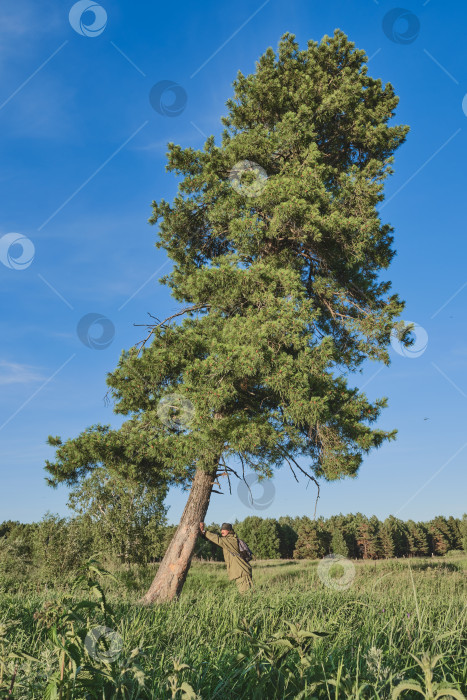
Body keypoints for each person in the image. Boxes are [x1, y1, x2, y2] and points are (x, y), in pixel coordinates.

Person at [199, 521, 253, 593]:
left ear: (229, 531)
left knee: (247, 595)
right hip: (241, 572)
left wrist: (204, 531)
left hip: (243, 573)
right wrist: (203, 535)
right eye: (221, 529)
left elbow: (218, 540)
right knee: (246, 594)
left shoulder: (231, 540)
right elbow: (215, 541)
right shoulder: (228, 541)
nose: (222, 531)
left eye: (224, 529)